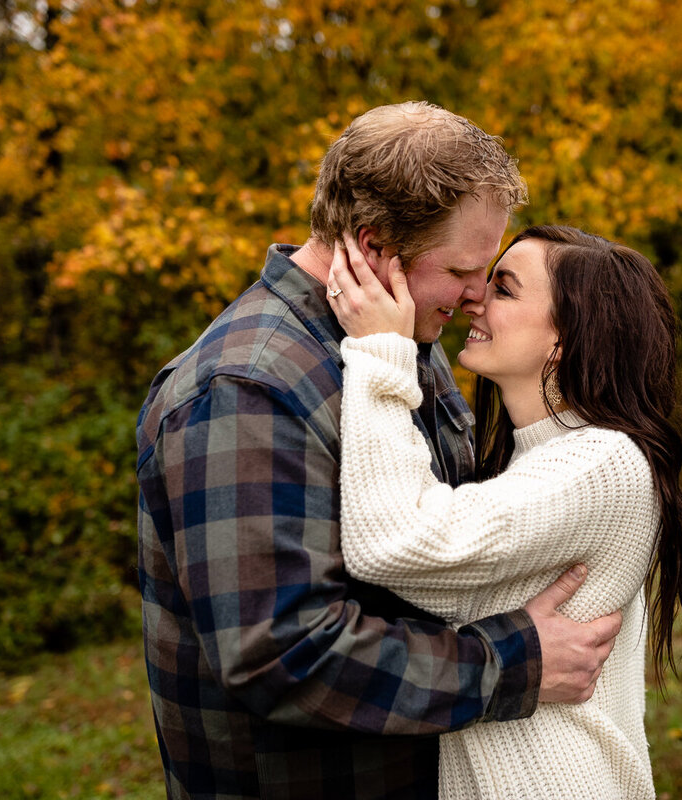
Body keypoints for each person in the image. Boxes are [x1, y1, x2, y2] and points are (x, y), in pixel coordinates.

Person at [136, 103, 623, 800]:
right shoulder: (246, 389)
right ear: (372, 246)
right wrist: (515, 665)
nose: (478, 294)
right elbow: (284, 653)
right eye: (462, 268)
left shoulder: (399, 340)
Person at [327, 225, 682, 800]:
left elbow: (394, 540)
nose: (474, 294)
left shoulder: (601, 463)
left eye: (503, 289)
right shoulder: (545, 460)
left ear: (563, 340)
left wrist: (381, 351)